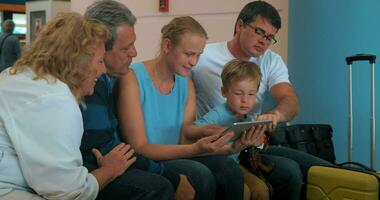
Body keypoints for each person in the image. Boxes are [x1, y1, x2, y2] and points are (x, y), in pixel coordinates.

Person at [191, 1, 332, 199]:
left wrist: (275, 114)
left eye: (270, 37)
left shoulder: (271, 60)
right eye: (259, 32)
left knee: (316, 169)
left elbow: (290, 101)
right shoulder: (204, 57)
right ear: (240, 26)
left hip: (251, 145)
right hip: (218, 146)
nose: (264, 41)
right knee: (282, 174)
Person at [118, 16, 265, 200]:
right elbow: (140, 148)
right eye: (189, 54)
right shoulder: (132, 78)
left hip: (179, 155)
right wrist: (195, 149)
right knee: (201, 176)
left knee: (228, 168)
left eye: (198, 55)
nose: (194, 62)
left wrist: (210, 134)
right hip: (149, 160)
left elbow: (185, 135)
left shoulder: (185, 81)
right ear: (167, 46)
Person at [0, 12, 132, 199]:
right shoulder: (54, 98)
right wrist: (110, 170)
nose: (103, 70)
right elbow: (70, 193)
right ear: (79, 60)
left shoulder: (17, 75)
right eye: (100, 61)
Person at [81, 1, 193, 199]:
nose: (134, 53)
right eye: (126, 48)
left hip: (114, 162)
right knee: (161, 186)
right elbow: (105, 148)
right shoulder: (92, 83)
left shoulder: (109, 79)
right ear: (100, 48)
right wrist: (169, 176)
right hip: (89, 171)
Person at [193, 59, 271, 200]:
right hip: (216, 165)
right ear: (224, 92)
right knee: (244, 192)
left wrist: (258, 141)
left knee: (261, 190)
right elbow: (193, 134)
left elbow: (255, 145)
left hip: (236, 164)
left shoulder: (249, 116)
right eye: (238, 93)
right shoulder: (217, 114)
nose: (245, 100)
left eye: (251, 94)